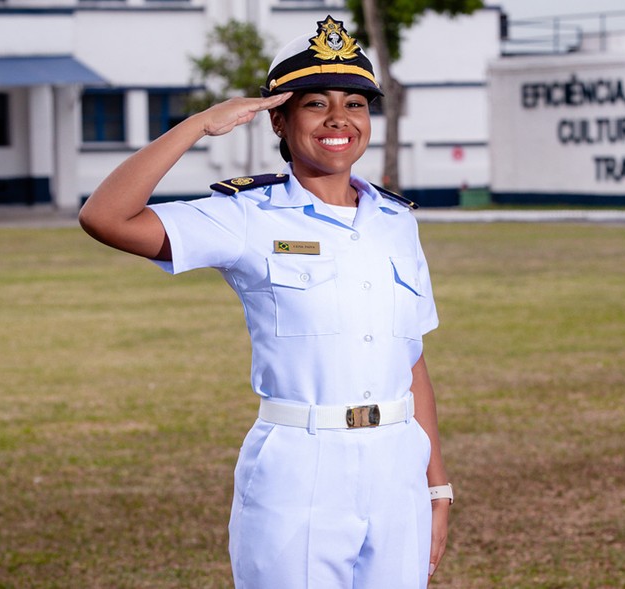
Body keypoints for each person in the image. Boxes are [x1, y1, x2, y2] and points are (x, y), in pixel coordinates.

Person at [79, 15, 452, 589]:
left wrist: (435, 485)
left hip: (397, 461)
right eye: (315, 104)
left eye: (355, 103)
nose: (339, 120)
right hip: (301, 465)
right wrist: (199, 125)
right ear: (278, 118)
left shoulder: (395, 221)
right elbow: (105, 217)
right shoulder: (248, 217)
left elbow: (411, 359)